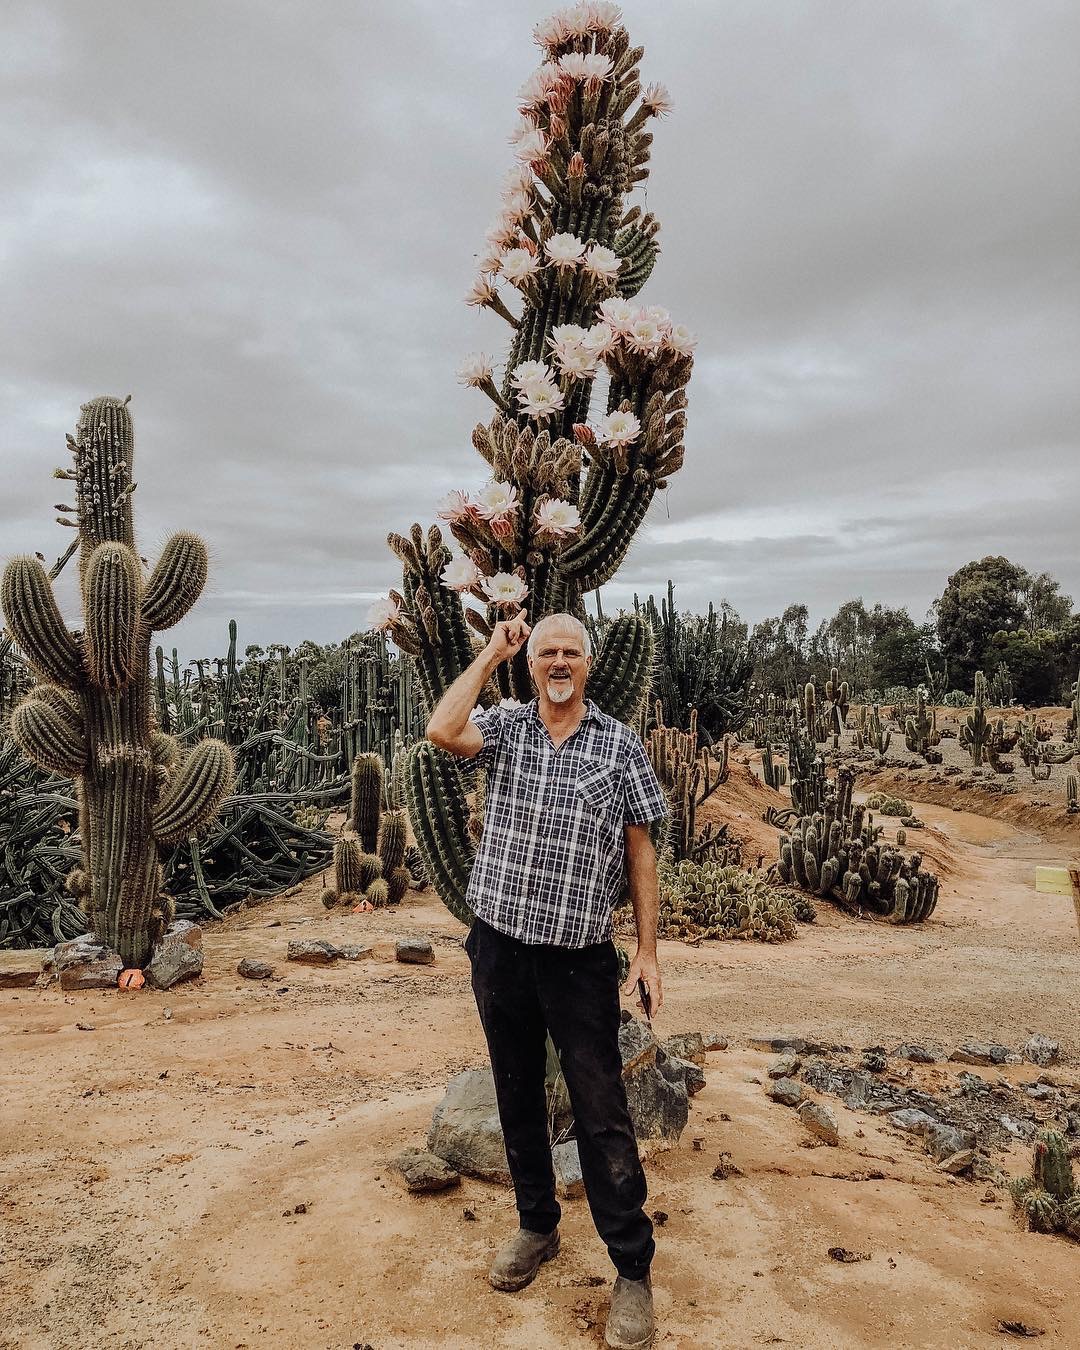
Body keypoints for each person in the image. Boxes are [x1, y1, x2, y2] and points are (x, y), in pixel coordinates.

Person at [426, 608, 667, 1350]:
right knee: (516, 1092)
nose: (558, 662)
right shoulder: (504, 726)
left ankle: (631, 1267)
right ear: (532, 664)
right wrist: (493, 653)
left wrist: (650, 951)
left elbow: (642, 852)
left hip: (578, 959)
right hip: (499, 947)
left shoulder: (620, 745)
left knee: (601, 1110)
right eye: (546, 652)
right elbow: (441, 729)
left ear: (588, 665)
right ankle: (537, 1226)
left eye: (570, 652)